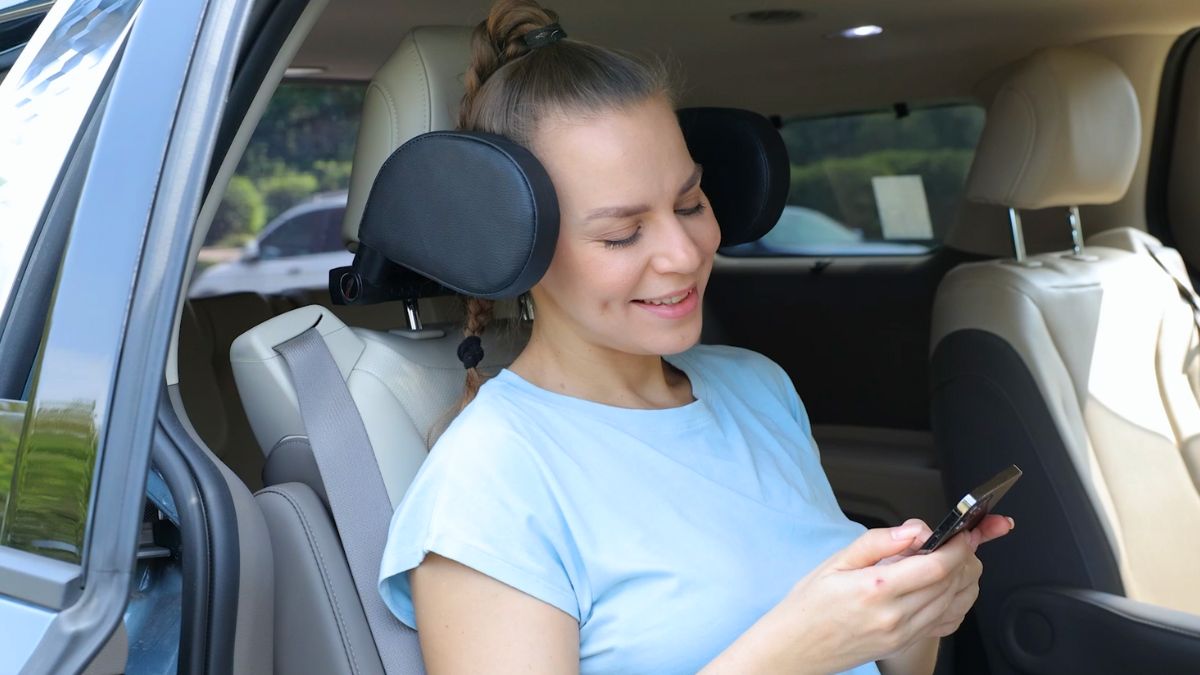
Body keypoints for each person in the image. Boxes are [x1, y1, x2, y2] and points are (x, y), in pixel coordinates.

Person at [378, 1, 1014, 672]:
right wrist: (797, 647)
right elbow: (809, 648)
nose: (685, 252)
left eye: (690, 203)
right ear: (516, 245)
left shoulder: (758, 387)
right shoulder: (490, 480)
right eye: (623, 232)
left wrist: (914, 614)